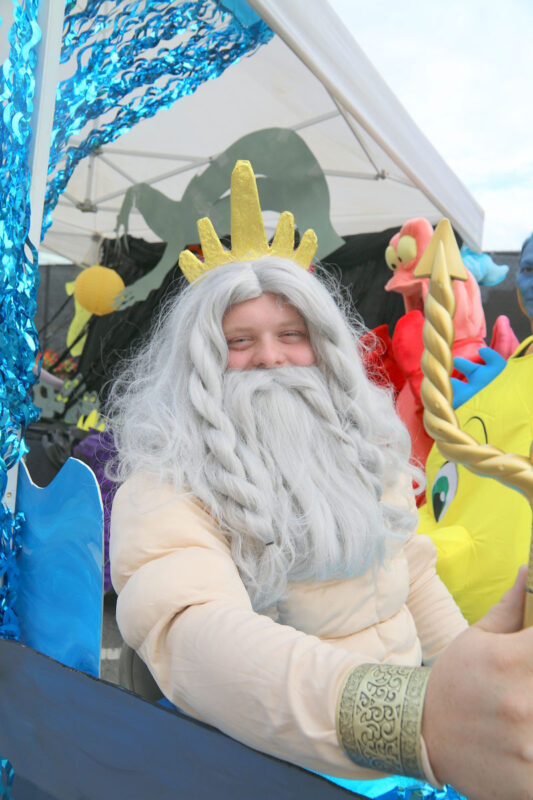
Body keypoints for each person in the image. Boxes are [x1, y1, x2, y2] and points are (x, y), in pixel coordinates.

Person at [108, 161, 533, 800]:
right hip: (265, 770)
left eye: (291, 334)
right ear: (198, 361)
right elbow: (192, 634)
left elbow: (410, 571)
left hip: (414, 765)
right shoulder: (166, 482)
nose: (272, 358)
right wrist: (411, 718)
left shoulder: (363, 445)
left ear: (325, 346)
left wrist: (467, 683)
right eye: (239, 341)